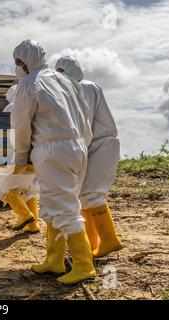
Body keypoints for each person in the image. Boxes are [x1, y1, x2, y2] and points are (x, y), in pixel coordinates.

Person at [12, 39, 96, 284]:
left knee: (64, 209)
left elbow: (20, 126)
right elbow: (84, 116)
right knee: (53, 204)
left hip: (51, 150)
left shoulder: (28, 84)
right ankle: (55, 260)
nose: (18, 67)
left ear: (26, 61)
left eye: (19, 62)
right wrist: (82, 145)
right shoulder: (66, 81)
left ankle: (84, 265)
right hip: (78, 147)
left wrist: (20, 158)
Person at [55, 56, 123, 258]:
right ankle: (93, 245)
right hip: (98, 143)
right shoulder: (90, 87)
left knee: (92, 194)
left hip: (99, 144)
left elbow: (81, 125)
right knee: (85, 196)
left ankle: (109, 240)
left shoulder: (84, 88)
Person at [0, 86, 40, 233]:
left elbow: (2, 132)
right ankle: (33, 225)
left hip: (15, 157)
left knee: (6, 191)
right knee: (29, 191)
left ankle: (25, 216)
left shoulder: (11, 107)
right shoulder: (33, 106)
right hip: (33, 157)